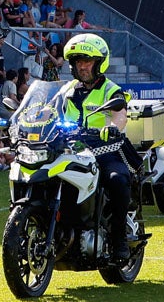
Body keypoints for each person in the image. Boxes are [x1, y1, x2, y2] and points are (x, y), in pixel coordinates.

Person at [49, 33, 135, 263]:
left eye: (87, 61)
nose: (82, 66)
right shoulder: (66, 90)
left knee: (117, 180)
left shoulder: (111, 90)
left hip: (104, 151)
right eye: (78, 61)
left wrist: (112, 128)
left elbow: (120, 115)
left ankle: (119, 241)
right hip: (70, 150)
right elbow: (46, 111)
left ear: (99, 63)